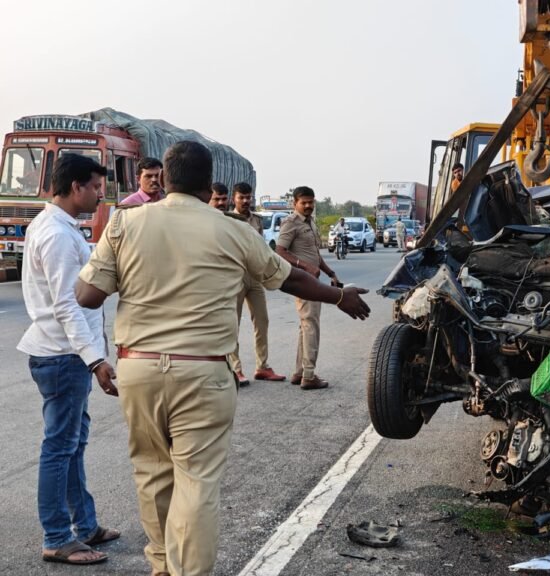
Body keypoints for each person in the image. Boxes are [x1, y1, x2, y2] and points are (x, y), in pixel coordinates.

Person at [75, 141, 370, 576]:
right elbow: (289, 280)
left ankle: (162, 565)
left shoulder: (124, 223)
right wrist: (339, 296)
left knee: (152, 473)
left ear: (165, 178)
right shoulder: (235, 231)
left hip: (138, 367)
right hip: (204, 371)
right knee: (195, 483)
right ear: (208, 183)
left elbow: (87, 295)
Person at [18, 153, 120, 566]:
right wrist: (95, 360)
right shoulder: (57, 235)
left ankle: (85, 525)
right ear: (75, 187)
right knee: (60, 448)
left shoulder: (56, 226)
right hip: (63, 356)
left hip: (65, 353)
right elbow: (66, 304)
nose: (100, 195)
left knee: (73, 444)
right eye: (95, 187)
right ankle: (58, 537)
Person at [276, 186, 343, 390]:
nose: (307, 206)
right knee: (311, 324)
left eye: (310, 202)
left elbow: (316, 254)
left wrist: (330, 273)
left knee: (306, 324)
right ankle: (309, 375)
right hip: (303, 281)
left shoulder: (310, 222)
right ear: (294, 203)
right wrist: (305, 266)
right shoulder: (291, 222)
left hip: (313, 280)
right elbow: (280, 251)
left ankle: (300, 372)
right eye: (303, 202)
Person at [230, 181, 285, 384]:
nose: (245, 201)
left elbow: (261, 248)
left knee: (262, 321)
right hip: (235, 277)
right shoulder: (227, 220)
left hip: (255, 277)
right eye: (241, 197)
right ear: (234, 199)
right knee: (232, 324)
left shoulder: (257, 220)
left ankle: (262, 366)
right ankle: (235, 369)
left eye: (248, 197)